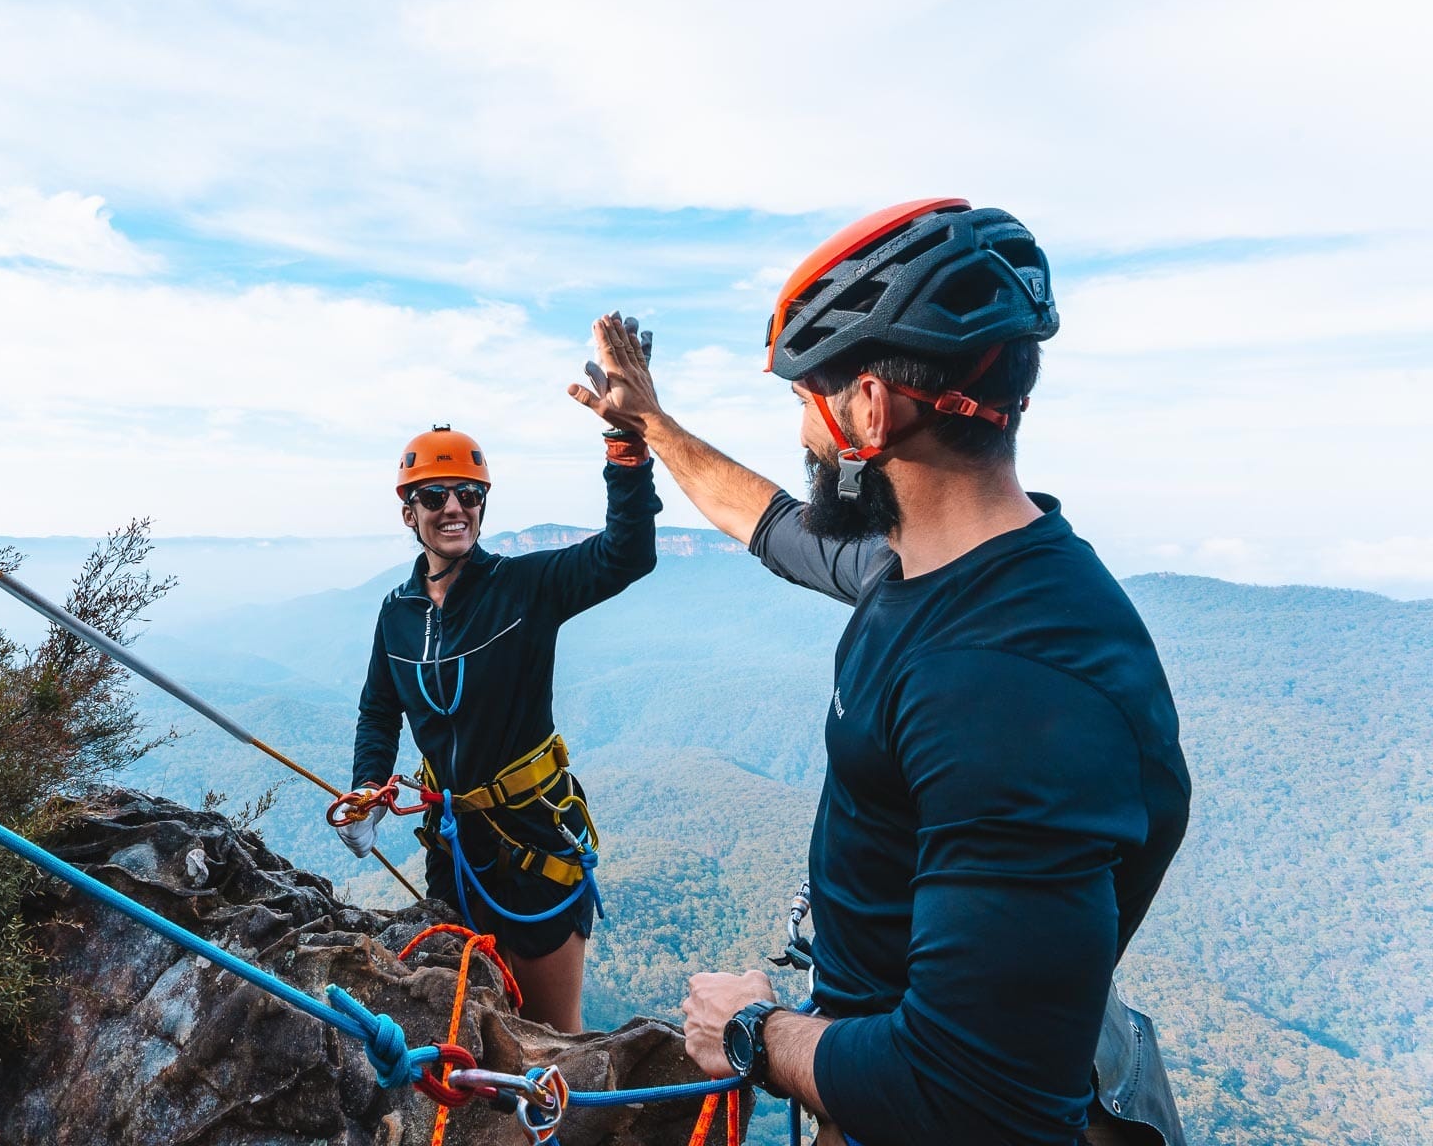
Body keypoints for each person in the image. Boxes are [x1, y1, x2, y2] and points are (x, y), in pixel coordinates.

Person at [568, 199, 1192, 1145]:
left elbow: (967, 1096)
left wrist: (752, 1031)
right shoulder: (932, 570)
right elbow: (773, 525)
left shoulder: (1005, 681)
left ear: (869, 407)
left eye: (803, 402)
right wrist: (651, 424)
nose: (804, 435)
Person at [334, 340, 662, 1034]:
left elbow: (625, 554)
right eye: (434, 496)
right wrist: (367, 789)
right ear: (408, 511)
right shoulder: (396, 612)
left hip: (534, 844)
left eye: (469, 495)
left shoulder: (525, 587)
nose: (453, 508)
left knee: (553, 1039)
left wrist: (626, 444)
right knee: (473, 1030)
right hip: (452, 851)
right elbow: (378, 709)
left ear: (483, 505)